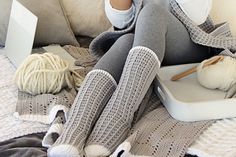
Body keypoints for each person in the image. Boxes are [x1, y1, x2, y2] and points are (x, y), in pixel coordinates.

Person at [48, 0, 236, 157]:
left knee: (152, 12)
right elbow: (122, 22)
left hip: (188, 43)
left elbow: (197, 15)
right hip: (143, 41)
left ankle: (117, 117)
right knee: (123, 41)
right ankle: (75, 127)